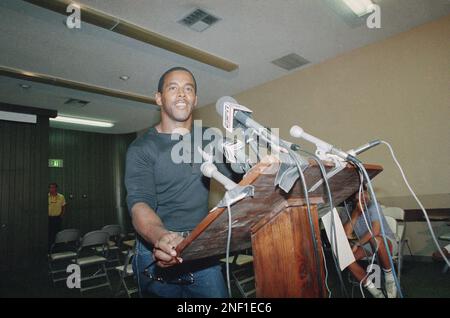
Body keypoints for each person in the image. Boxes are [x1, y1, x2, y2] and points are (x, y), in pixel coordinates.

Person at [125, 67, 235, 298]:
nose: (182, 94)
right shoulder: (142, 148)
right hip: (156, 248)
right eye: (173, 88)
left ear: (195, 99)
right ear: (159, 98)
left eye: (188, 89)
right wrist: (161, 237)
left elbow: (240, 176)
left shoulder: (210, 139)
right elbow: (139, 205)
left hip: (199, 245)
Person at [342, 185, 398, 298]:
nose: (364, 196)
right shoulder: (346, 210)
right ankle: (375, 292)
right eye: (359, 193)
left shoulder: (373, 205)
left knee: (375, 239)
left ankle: (389, 279)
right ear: (351, 198)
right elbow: (346, 234)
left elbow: (375, 231)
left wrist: (357, 244)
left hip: (386, 242)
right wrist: (356, 213)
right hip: (366, 245)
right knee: (345, 259)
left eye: (365, 191)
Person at [48, 182, 66, 251]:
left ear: (56, 188)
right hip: (49, 218)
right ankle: (50, 248)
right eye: (50, 187)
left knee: (57, 233)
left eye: (53, 187)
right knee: (49, 233)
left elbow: (64, 207)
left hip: (57, 218)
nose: (52, 189)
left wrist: (61, 215)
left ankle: (57, 248)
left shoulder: (61, 197)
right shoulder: (47, 196)